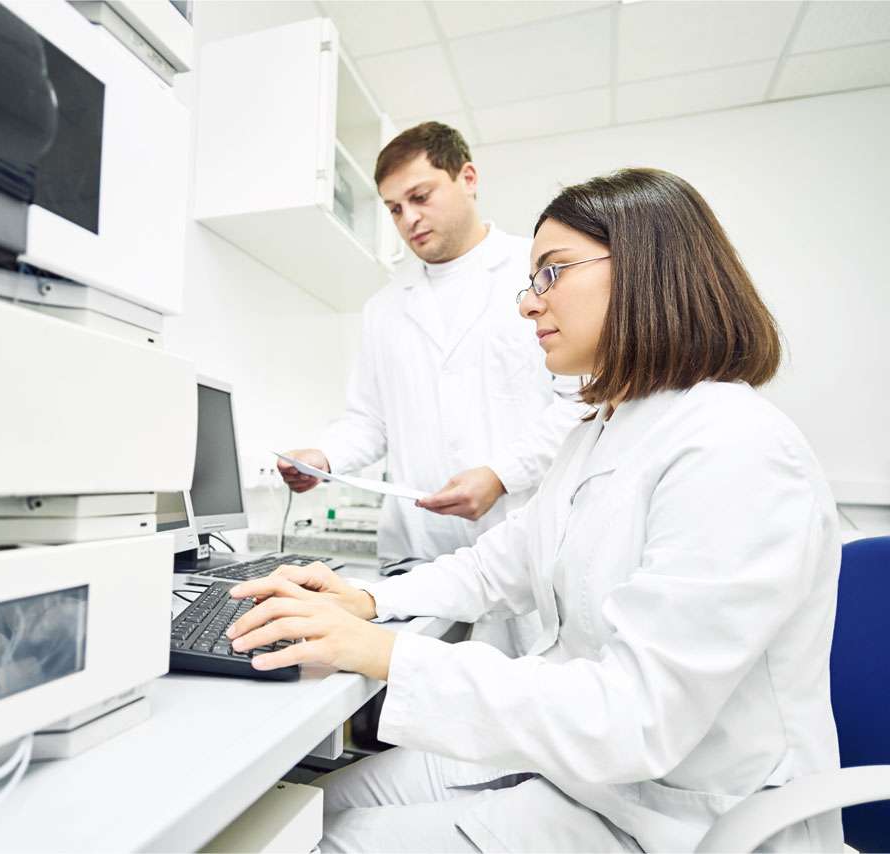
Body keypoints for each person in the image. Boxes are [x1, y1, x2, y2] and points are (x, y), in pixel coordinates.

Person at [232, 168, 842, 851]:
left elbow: (631, 717)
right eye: (532, 280)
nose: (528, 304)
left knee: (307, 841)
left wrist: (381, 652)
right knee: (314, 803)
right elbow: (506, 562)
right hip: (584, 775)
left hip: (683, 815)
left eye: (552, 273)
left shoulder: (734, 448)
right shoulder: (601, 430)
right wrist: (367, 602)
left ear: (648, 268)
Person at [279, 124, 585, 619]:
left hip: (519, 548)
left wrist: (501, 476)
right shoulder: (384, 308)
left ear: (467, 177)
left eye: (420, 196)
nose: (409, 218)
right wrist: (324, 456)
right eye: (394, 208)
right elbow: (370, 421)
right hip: (415, 552)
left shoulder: (532, 276)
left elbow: (580, 403)